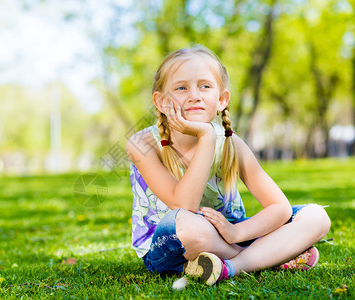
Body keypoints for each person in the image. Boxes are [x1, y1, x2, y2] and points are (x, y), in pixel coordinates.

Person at [126, 45, 331, 286]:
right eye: (181, 88)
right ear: (160, 102)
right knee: (191, 229)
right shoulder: (141, 144)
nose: (194, 95)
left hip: (230, 235)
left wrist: (238, 233)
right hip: (172, 243)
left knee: (317, 217)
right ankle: (271, 256)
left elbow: (279, 207)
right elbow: (184, 205)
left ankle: (231, 267)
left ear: (222, 99)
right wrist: (206, 137)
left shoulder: (233, 144)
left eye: (205, 86)